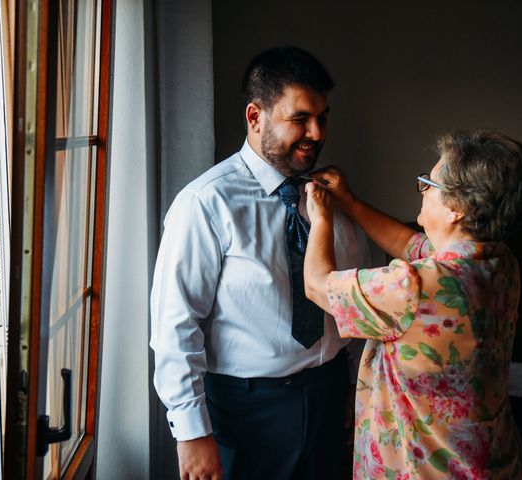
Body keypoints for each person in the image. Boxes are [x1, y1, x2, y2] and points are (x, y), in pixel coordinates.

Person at [150, 46, 365, 480]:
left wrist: (353, 384)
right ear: (255, 116)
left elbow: (352, 297)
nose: (317, 132)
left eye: (323, 117)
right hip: (244, 410)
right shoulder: (206, 203)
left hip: (327, 396)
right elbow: (176, 325)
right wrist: (191, 434)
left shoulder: (332, 198)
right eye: (300, 118)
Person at [304, 129, 522, 479]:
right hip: (488, 461)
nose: (424, 188)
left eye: (429, 182)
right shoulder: (497, 260)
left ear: (456, 209)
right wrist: (348, 200)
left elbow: (317, 286)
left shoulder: (414, 287)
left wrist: (320, 218)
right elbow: (407, 242)